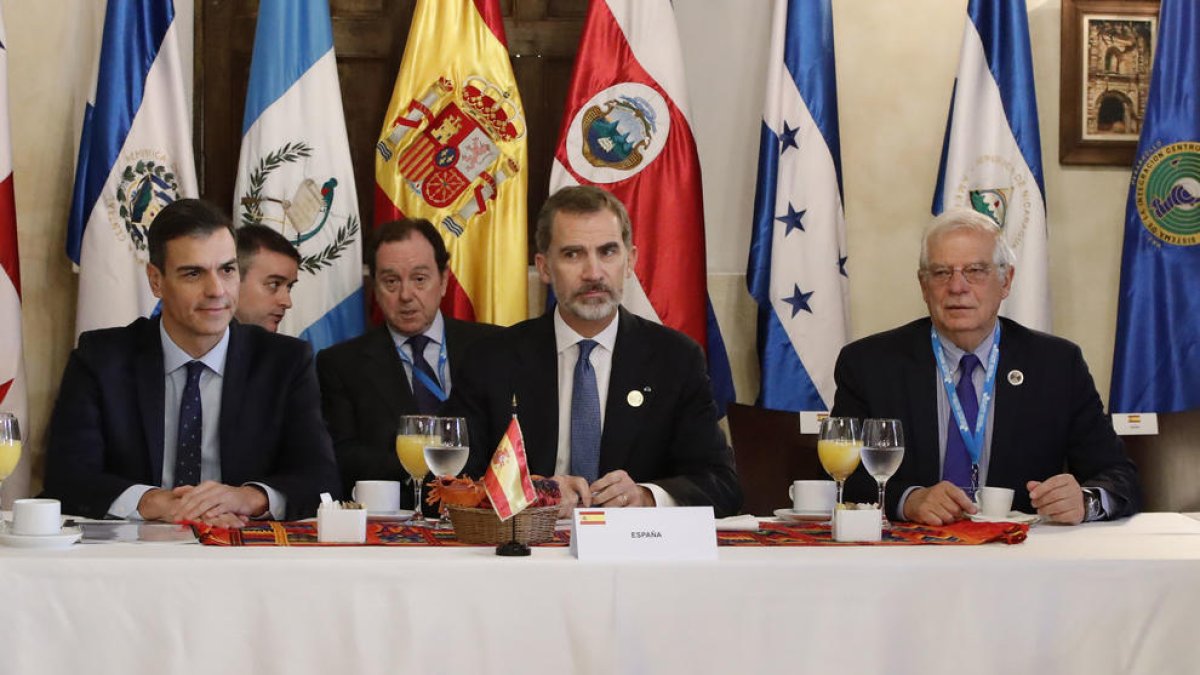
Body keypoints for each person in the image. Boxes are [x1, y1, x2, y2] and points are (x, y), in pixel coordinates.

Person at [832, 209, 1139, 525]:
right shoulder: (869, 365)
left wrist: (1085, 501)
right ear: (924, 286)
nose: (957, 287)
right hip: (911, 555)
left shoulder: (1058, 365)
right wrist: (908, 500)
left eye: (976, 270)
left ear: (1006, 281)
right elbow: (841, 477)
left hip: (1021, 557)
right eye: (941, 273)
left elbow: (1118, 474)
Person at [44, 199, 341, 525]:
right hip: (134, 558)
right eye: (193, 273)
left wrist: (247, 497)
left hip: (244, 555)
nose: (216, 290)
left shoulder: (283, 362)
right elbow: (67, 477)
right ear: (156, 280)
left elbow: (321, 479)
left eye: (227, 270)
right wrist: (155, 502)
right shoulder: (101, 358)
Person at [452, 185, 742, 518]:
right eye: (573, 254)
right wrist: (533, 493)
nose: (593, 273)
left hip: (634, 556)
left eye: (607, 252)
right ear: (544, 268)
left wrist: (646, 497)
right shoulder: (491, 359)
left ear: (630, 260)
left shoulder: (675, 359)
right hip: (526, 555)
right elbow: (454, 481)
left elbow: (722, 483)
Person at [316, 218, 498, 505]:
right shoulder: (340, 364)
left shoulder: (492, 347)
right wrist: (429, 471)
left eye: (419, 279)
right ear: (374, 287)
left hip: (483, 516)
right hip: (395, 520)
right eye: (391, 281)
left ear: (444, 280)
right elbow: (345, 457)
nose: (405, 295)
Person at [234, 224, 300, 332]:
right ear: (232, 281)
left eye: (289, 287)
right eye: (274, 284)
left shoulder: (295, 348)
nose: (287, 302)